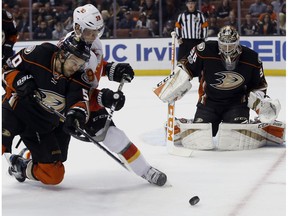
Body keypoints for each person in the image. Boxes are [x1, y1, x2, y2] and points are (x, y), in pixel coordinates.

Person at [19, 4, 167, 186]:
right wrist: (102, 98)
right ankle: (27, 160)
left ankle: (146, 170)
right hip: (68, 106)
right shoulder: (68, 51)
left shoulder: (93, 44)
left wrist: (113, 69)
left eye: (97, 31)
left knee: (115, 136)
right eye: (89, 31)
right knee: (55, 156)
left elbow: (96, 67)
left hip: (86, 102)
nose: (93, 35)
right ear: (77, 28)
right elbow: (73, 90)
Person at [154, 26, 282, 144]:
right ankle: (185, 123)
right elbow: (186, 66)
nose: (227, 50)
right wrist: (175, 82)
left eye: (231, 46)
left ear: (237, 44)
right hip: (208, 103)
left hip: (237, 104)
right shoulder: (205, 50)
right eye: (224, 45)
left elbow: (259, 85)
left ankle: (256, 125)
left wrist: (260, 101)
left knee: (235, 139)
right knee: (199, 138)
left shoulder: (252, 58)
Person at [2, 34, 91, 185]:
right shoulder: (38, 54)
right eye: (74, 62)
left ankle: (21, 166)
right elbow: (6, 69)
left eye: (80, 64)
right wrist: (20, 80)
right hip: (16, 111)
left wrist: (75, 115)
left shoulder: (78, 76)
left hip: (43, 124)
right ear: (62, 55)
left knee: (54, 175)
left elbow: (80, 100)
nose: (76, 68)